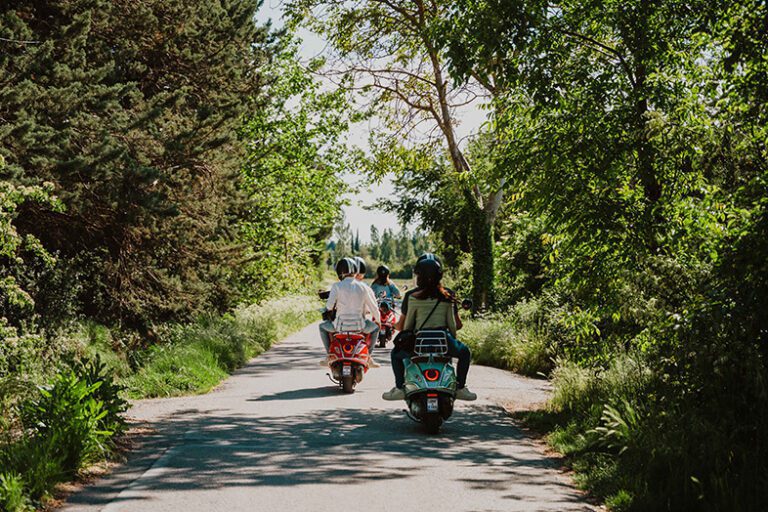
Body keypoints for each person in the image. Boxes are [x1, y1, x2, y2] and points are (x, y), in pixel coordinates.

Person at [382, 257, 477, 401]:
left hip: (419, 342)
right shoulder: (447, 296)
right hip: (442, 340)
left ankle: (400, 388)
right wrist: (452, 343)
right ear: (440, 275)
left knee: (395, 355)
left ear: (419, 276)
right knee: (465, 353)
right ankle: (461, 388)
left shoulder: (413, 297)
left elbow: (407, 327)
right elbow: (452, 326)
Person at [319, 257, 381, 368]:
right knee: (375, 328)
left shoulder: (337, 286)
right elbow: (374, 308)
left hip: (339, 327)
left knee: (322, 327)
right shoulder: (363, 287)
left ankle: (329, 355)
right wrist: (378, 321)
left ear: (340, 272)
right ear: (355, 270)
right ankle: (369, 357)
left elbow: (328, 306)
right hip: (360, 327)